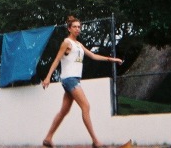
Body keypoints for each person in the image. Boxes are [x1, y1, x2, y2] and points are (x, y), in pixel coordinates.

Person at [41, 16, 124, 148]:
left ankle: (48, 138)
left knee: (64, 111)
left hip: (73, 79)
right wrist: (48, 77)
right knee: (86, 106)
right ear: (69, 28)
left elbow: (93, 55)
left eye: (79, 27)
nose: (78, 29)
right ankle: (96, 141)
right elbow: (57, 60)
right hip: (69, 79)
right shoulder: (66, 43)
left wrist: (111, 59)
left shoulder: (78, 45)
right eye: (75, 27)